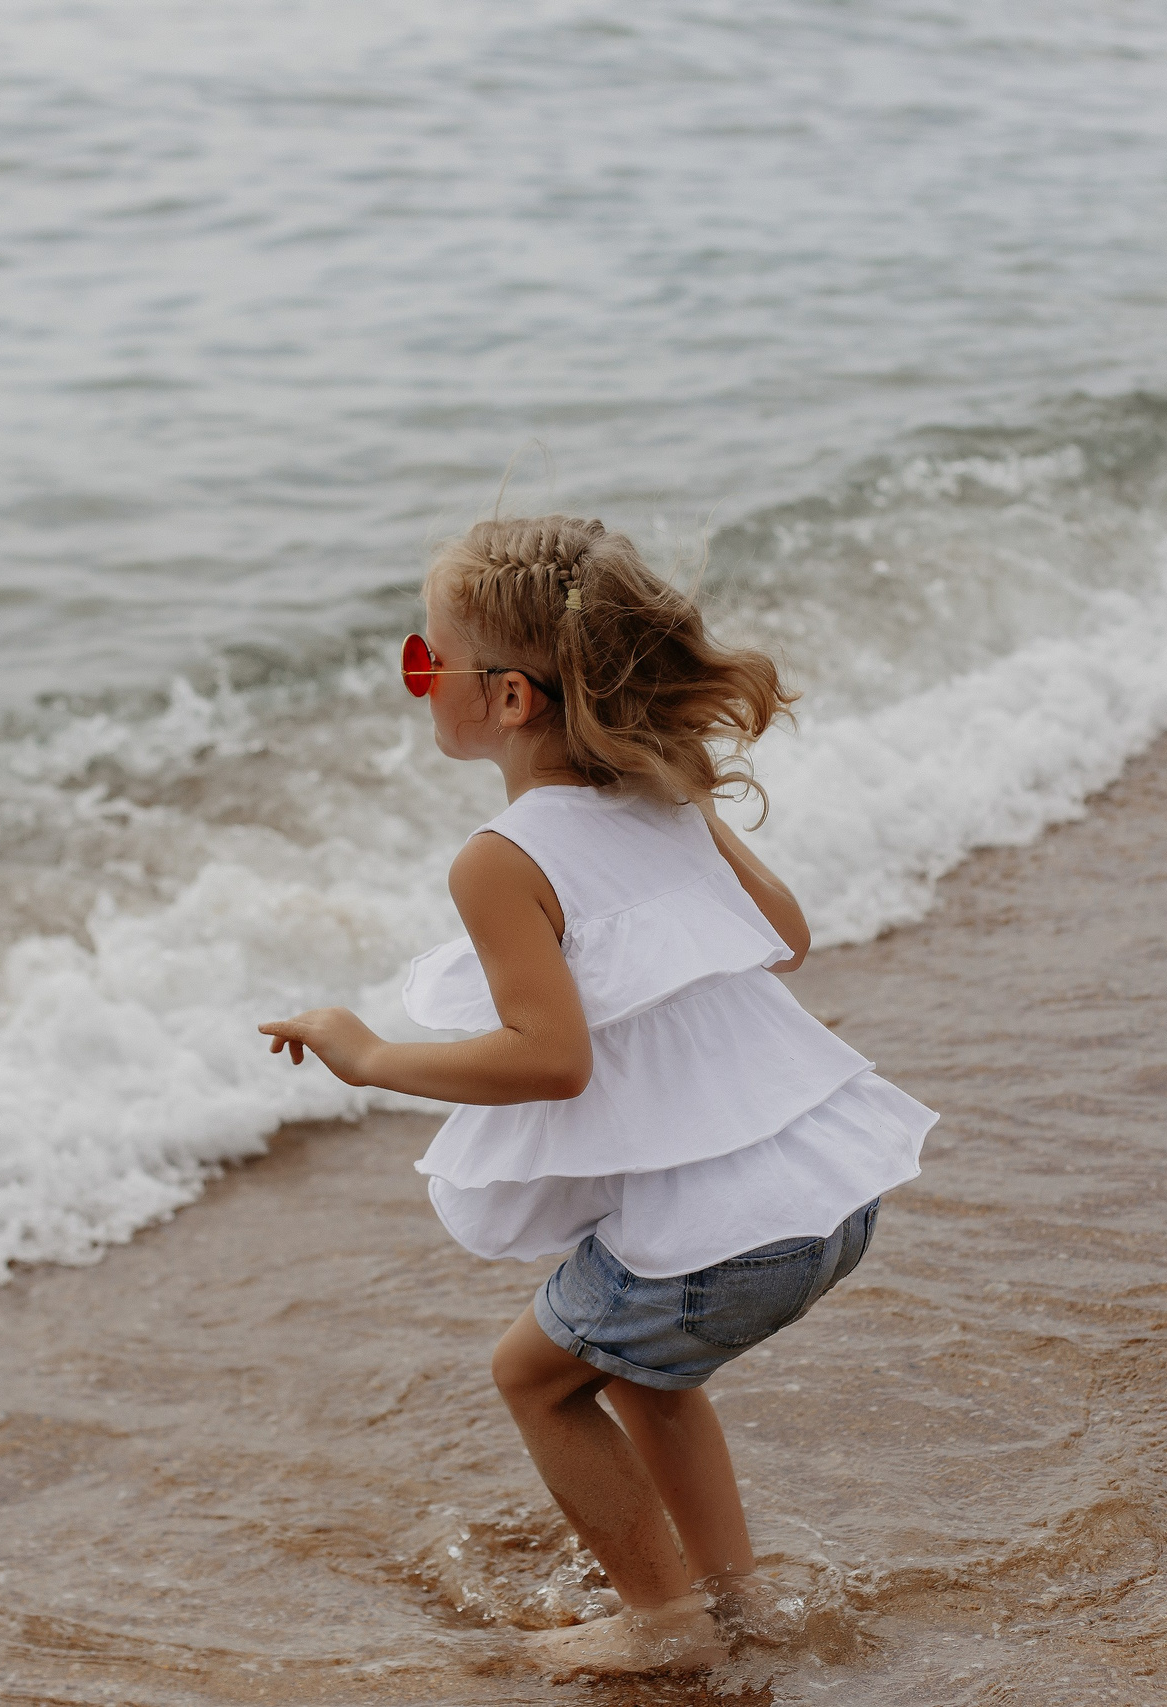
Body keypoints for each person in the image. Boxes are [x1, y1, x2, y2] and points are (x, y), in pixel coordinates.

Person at [258, 515, 934, 1676]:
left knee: (533, 1375)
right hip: (828, 1194)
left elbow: (548, 1060)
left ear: (510, 700)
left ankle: (665, 1624)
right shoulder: (659, 796)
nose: (415, 679)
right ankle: (732, 1603)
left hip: (728, 1235)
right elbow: (787, 936)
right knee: (647, 1378)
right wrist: (688, 807)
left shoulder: (500, 858)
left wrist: (368, 1055)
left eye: (425, 661)